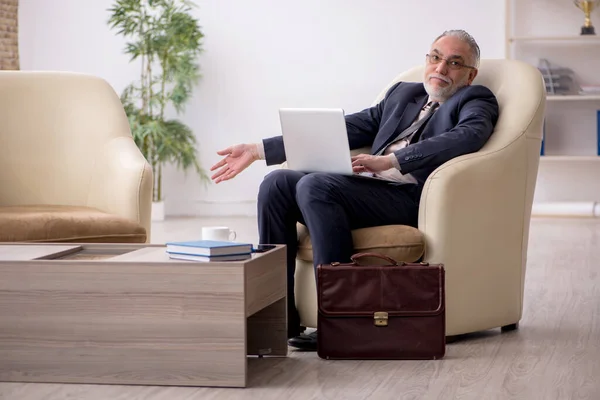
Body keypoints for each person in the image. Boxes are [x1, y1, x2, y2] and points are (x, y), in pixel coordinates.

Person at [210, 29, 499, 351]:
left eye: (454, 63)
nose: (441, 69)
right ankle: (276, 316)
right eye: (435, 57)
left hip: (413, 197)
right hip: (364, 190)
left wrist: (391, 161)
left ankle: (340, 317)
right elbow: (347, 127)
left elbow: (467, 136)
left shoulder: (476, 99)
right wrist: (259, 149)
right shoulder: (403, 94)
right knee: (277, 183)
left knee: (315, 184)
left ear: (470, 74)